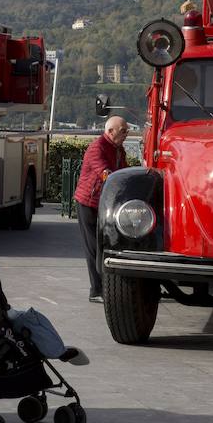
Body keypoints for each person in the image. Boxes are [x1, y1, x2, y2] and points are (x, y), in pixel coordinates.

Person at [73, 116, 129, 303]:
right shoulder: (97, 148)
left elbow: (124, 172)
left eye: (127, 131)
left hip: (104, 204)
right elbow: (106, 174)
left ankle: (105, 288)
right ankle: (96, 291)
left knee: (106, 246)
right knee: (93, 248)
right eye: (123, 131)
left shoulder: (118, 149)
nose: (126, 135)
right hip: (88, 204)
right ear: (110, 131)